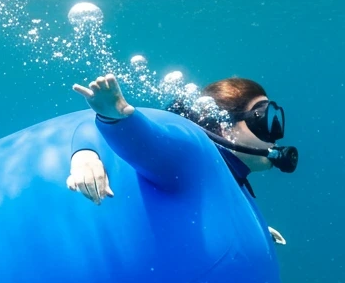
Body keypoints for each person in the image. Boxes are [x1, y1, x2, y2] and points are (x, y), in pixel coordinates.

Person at [68, 73, 296, 242]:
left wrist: (249, 225)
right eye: (264, 118)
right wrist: (113, 121)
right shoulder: (195, 157)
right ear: (224, 127)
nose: (276, 133)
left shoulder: (229, 177)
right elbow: (153, 143)